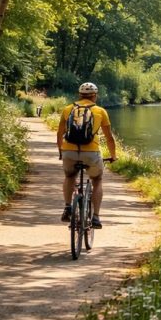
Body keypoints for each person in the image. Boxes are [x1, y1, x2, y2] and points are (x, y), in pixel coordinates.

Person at [56, 82, 117, 229]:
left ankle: (68, 207)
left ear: (79, 95)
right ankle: (95, 217)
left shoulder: (67, 109)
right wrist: (113, 155)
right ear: (94, 96)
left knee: (70, 177)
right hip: (91, 152)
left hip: (69, 151)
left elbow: (60, 133)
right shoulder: (100, 111)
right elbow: (109, 138)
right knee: (97, 179)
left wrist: (61, 151)